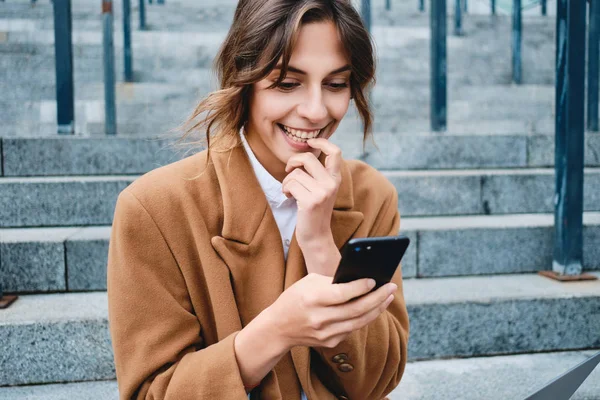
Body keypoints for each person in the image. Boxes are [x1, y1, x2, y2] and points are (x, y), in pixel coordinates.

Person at [107, 0, 410, 399]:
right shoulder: (154, 208)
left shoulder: (372, 196)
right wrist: (277, 330)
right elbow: (152, 392)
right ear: (243, 79)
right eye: (287, 83)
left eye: (336, 84)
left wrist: (320, 244)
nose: (316, 110)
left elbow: (376, 382)